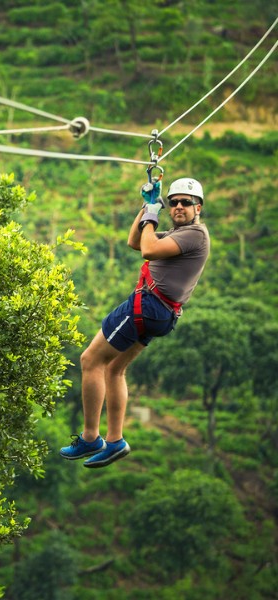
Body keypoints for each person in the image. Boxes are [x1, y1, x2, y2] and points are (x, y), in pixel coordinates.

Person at [60, 177, 210, 468]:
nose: (178, 206)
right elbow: (134, 241)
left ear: (198, 207)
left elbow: (148, 250)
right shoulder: (177, 235)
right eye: (174, 202)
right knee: (115, 369)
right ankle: (115, 441)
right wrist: (147, 207)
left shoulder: (195, 234)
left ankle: (91, 436)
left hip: (148, 306)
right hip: (160, 314)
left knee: (90, 360)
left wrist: (152, 215)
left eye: (186, 202)